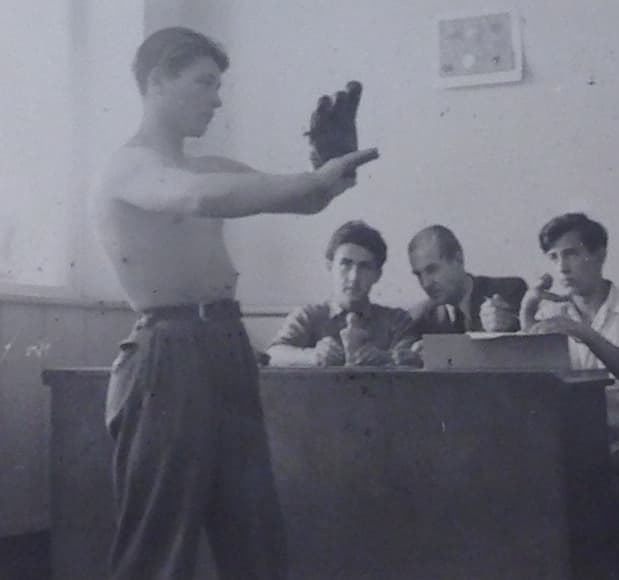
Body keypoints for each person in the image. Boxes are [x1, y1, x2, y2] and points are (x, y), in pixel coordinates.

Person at [91, 26, 378, 580]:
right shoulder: (129, 166)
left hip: (226, 347)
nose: (217, 100)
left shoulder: (207, 168)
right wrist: (310, 181)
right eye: (204, 83)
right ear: (158, 81)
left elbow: (305, 199)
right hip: (166, 356)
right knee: (157, 553)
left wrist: (332, 167)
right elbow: (196, 198)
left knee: (255, 542)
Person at [519, 213, 619, 580]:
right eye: (554, 257)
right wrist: (526, 316)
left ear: (600, 254)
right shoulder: (552, 313)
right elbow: (531, 382)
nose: (562, 267)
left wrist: (586, 334)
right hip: (577, 448)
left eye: (572, 254)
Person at [266, 220, 420, 367]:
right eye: (345, 264)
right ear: (330, 266)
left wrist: (387, 358)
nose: (354, 277)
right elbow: (273, 354)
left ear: (377, 275)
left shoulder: (396, 321)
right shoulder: (308, 316)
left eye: (365, 267)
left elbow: (414, 357)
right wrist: (311, 356)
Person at [407, 225, 527, 335]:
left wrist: (510, 325)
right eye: (418, 275)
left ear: (458, 259)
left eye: (432, 270)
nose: (426, 284)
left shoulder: (508, 292)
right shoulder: (421, 320)